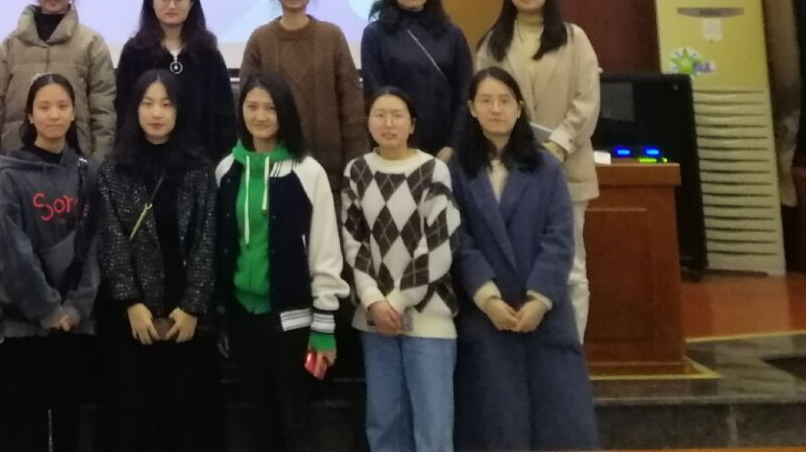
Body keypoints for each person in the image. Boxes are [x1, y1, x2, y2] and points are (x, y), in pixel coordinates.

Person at [448, 69, 598, 452]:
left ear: (519, 109)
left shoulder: (546, 167)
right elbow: (458, 239)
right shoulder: (457, 171)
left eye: (504, 101)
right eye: (486, 101)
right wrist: (488, 298)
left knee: (560, 420)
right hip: (487, 312)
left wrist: (540, 300)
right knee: (497, 420)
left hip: (544, 312)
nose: (496, 109)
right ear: (472, 109)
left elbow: (559, 237)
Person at [213, 71, 347, 452]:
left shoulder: (308, 171)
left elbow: (325, 250)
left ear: (285, 113)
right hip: (243, 319)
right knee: (258, 421)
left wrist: (324, 328)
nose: (260, 116)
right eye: (251, 106)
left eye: (270, 108)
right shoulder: (226, 170)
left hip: (293, 322)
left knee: (295, 424)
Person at [473, 0, 601, 340]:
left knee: (571, 267)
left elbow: (587, 100)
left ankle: (571, 348)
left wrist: (557, 148)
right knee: (518, 263)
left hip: (567, 166)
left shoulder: (574, 38)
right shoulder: (493, 42)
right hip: (509, 168)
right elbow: (483, 99)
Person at [93, 68, 222, 452]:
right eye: (147, 103)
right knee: (132, 420)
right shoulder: (114, 169)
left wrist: (193, 306)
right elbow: (111, 240)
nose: (156, 113)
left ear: (179, 110)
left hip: (187, 320)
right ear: (134, 109)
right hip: (132, 321)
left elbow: (207, 240)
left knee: (185, 421)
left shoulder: (199, 169)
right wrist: (130, 302)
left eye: (166, 104)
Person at [341, 88, 461, 452]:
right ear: (368, 122)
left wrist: (396, 300)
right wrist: (374, 301)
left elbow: (439, 245)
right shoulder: (356, 171)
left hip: (429, 316)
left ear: (412, 124)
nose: (388, 123)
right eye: (380, 115)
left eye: (397, 115)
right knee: (384, 422)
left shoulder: (433, 170)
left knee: (433, 427)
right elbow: (354, 243)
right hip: (375, 319)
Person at [0, 72, 101, 452]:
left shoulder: (88, 173)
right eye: (44, 107)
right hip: (25, 324)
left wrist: (76, 307)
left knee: (69, 423)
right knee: (24, 427)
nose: (54, 114)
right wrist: (47, 308)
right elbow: (13, 247)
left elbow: (96, 245)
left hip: (75, 323)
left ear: (74, 113)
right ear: (30, 115)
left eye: (62, 106)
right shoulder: (10, 175)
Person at [238, 0, 366, 185]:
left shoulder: (332, 36)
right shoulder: (260, 39)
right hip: (272, 167)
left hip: (329, 168)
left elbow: (352, 105)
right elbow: (245, 105)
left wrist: (356, 165)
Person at [0, 0, 118, 158]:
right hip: (17, 157)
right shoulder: (12, 44)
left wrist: (98, 163)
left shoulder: (91, 43)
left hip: (75, 157)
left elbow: (103, 108)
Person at [114, 0, 236, 167]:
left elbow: (224, 114)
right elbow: (124, 111)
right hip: (144, 162)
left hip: (201, 161)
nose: (171, 5)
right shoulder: (135, 52)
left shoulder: (207, 52)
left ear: (191, 2)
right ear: (151, 1)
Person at [360, 0, 471, 158]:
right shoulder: (375, 34)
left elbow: (465, 93)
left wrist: (453, 145)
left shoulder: (452, 34)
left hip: (446, 148)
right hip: (395, 145)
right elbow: (375, 95)